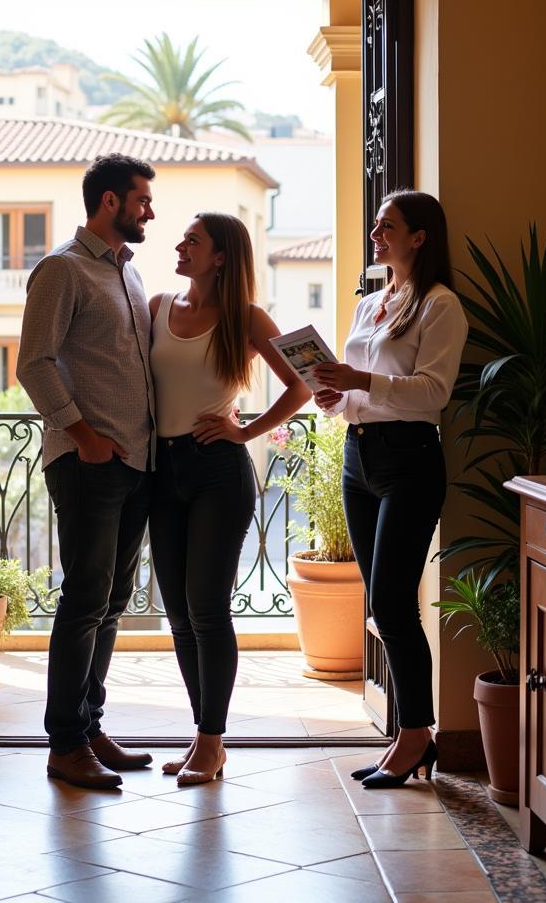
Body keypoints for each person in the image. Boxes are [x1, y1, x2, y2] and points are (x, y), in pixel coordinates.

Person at [147, 212, 310, 786]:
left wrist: (247, 430)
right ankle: (201, 739)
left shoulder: (246, 319)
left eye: (193, 240)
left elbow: (302, 383)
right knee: (179, 616)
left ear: (220, 257)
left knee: (208, 610)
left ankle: (212, 743)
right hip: (160, 471)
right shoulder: (157, 307)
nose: (180, 245)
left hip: (218, 470)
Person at [313, 189, 468, 789]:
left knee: (394, 605)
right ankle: (408, 738)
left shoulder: (440, 305)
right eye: (376, 224)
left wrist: (361, 379)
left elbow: (432, 394)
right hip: (360, 456)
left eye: (387, 225)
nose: (376, 233)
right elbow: (361, 395)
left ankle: (415, 736)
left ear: (419, 237)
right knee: (380, 602)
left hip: (410, 461)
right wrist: (337, 396)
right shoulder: (372, 303)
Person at [17, 153, 158, 790]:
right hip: (87, 463)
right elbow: (34, 364)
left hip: (133, 464)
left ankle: (89, 725)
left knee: (110, 604)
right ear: (108, 202)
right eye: (141, 200)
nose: (149, 211)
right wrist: (82, 435)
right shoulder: (61, 270)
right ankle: (65, 745)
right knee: (83, 603)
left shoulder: (129, 276)